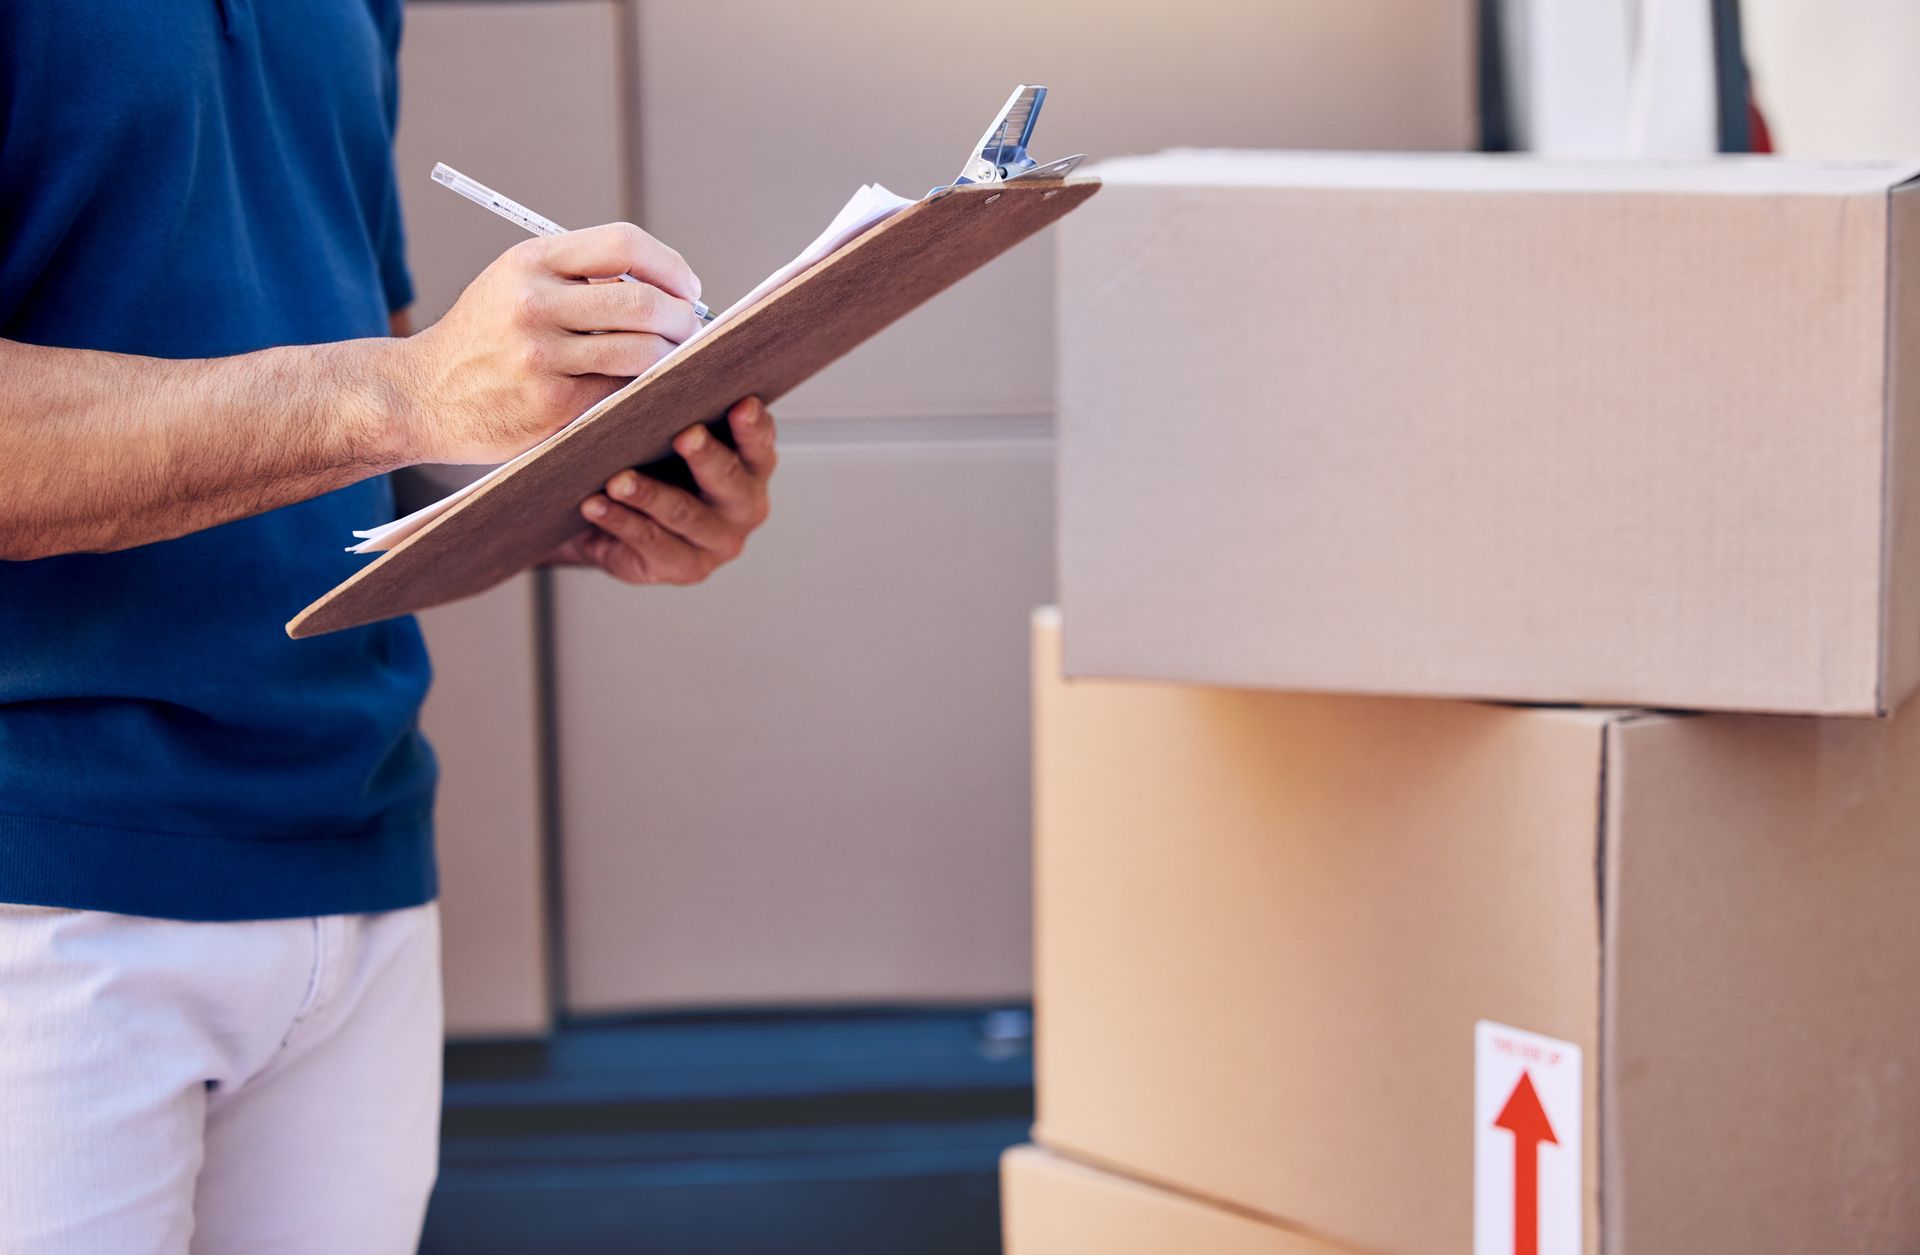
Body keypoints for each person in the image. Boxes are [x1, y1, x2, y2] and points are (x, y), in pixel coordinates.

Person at [0, 3, 777, 1251]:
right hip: (43, 887)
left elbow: (358, 429)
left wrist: (580, 483)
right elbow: (379, 392)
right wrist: (405, 391)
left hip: (354, 857)